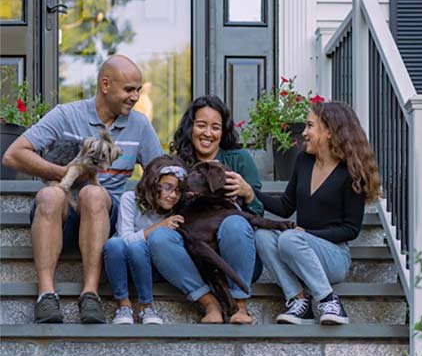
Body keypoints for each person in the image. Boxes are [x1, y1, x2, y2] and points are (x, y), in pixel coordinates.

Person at [2, 55, 164, 324]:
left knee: (93, 194)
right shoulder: (67, 115)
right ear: (105, 84)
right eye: (129, 89)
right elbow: (13, 155)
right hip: (61, 218)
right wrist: (64, 173)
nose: (135, 96)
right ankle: (46, 294)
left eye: (138, 89)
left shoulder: (140, 125)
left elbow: (159, 174)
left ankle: (90, 294)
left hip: (102, 214)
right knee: (50, 194)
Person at [254, 101, 382, 325]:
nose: (304, 132)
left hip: (334, 256)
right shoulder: (304, 161)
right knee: (262, 236)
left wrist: (308, 234)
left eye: (310, 126)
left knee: (290, 238)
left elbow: (350, 230)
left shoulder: (350, 172)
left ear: (330, 132)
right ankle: (299, 301)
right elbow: (285, 206)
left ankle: (328, 300)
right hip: (300, 245)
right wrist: (250, 194)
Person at [148, 95, 263, 324]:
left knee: (235, 222)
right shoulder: (177, 164)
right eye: (201, 125)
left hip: (236, 254)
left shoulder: (239, 159)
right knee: (159, 236)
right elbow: (163, 208)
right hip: (195, 257)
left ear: (223, 131)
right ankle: (210, 304)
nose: (208, 133)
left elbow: (258, 214)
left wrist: (248, 193)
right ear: (191, 127)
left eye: (215, 127)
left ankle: (239, 304)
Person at [104, 155, 186, 325]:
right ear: (153, 184)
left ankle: (146, 306)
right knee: (114, 243)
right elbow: (125, 238)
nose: (173, 195)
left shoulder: (178, 209)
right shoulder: (130, 199)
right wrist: (159, 226)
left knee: (137, 248)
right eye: (167, 187)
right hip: (122, 264)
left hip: (154, 267)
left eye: (178, 190)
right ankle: (123, 305)